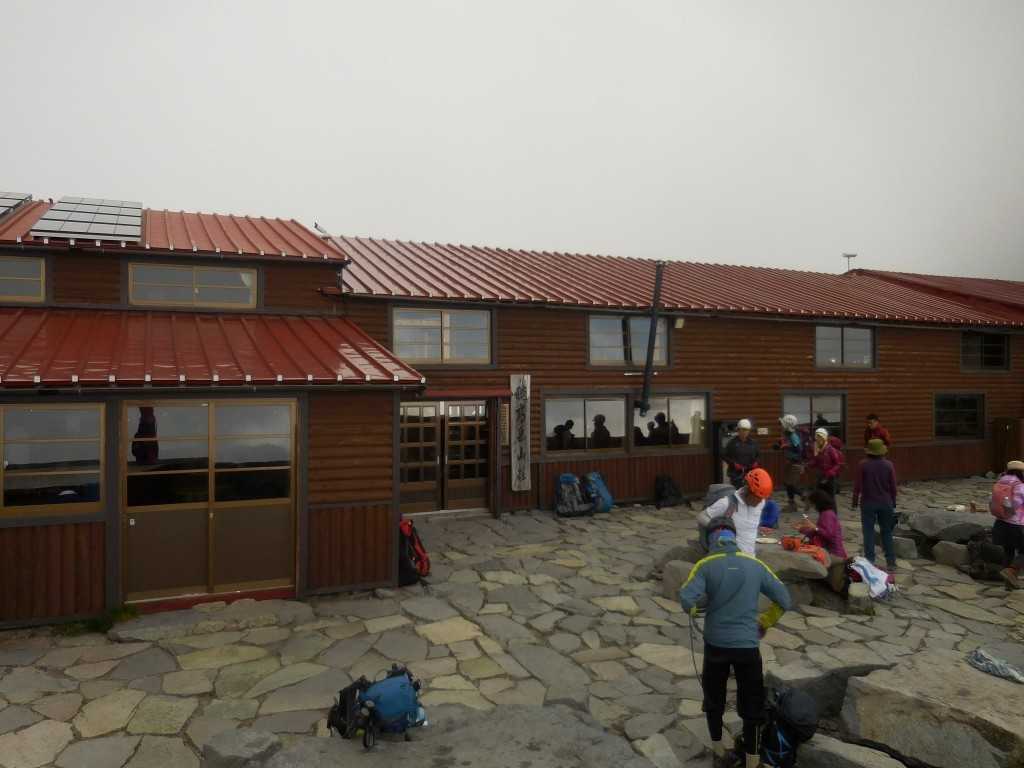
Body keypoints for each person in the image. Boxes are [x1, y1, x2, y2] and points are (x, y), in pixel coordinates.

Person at [679, 517, 792, 768]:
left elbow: (686, 598)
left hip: (715, 646)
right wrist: (764, 622)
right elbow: (785, 599)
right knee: (752, 704)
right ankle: (752, 762)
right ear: (734, 537)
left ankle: (719, 752)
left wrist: (698, 609)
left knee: (714, 699)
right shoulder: (756, 565)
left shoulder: (705, 565)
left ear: (710, 538)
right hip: (747, 647)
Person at [698, 468, 774, 555]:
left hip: (750, 557)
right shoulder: (727, 503)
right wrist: (717, 527)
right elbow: (701, 516)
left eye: (762, 498)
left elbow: (745, 525)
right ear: (748, 489)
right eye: (757, 498)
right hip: (729, 556)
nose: (760, 502)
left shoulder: (760, 503)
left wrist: (758, 527)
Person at [852, 438, 898, 569]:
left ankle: (870, 560)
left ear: (869, 451)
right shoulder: (888, 465)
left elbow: (857, 485)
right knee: (887, 531)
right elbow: (893, 486)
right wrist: (893, 501)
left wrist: (855, 500)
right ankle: (891, 561)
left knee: (868, 532)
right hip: (886, 502)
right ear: (882, 451)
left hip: (868, 502)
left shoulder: (863, 465)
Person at [992, 460, 1024, 590]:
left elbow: (992, 500)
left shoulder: (1000, 482)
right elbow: (1016, 503)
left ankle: (1008, 584)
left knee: (1008, 552)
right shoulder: (1019, 485)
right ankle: (1012, 571)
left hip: (1000, 522)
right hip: (1016, 524)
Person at [798, 489, 847, 559]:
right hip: (827, 550)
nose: (812, 506)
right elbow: (817, 533)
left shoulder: (827, 514)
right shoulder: (825, 513)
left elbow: (828, 535)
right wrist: (802, 529)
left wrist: (815, 527)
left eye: (812, 504)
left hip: (833, 553)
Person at [777, 414, 804, 512]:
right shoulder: (787, 435)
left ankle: (805, 497)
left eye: (783, 424)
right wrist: (781, 445)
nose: (781, 426)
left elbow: (799, 449)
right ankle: (792, 504)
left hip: (795, 463)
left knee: (790, 484)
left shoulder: (793, 435)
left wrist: (786, 446)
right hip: (790, 462)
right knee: (787, 483)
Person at [724, 418, 761, 489]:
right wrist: (733, 464)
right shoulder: (732, 443)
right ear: (739, 430)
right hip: (736, 475)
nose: (745, 432)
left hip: (750, 474)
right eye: (743, 430)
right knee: (737, 492)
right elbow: (725, 456)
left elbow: (758, 455)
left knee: (749, 492)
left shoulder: (753, 443)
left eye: (747, 430)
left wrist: (756, 462)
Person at [809, 427, 842, 502]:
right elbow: (815, 461)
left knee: (831, 498)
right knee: (819, 497)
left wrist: (831, 472)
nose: (818, 439)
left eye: (819, 437)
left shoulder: (831, 449)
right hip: (820, 476)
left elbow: (837, 464)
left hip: (830, 477)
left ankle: (832, 509)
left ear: (824, 438)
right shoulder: (817, 448)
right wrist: (809, 465)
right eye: (817, 437)